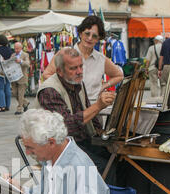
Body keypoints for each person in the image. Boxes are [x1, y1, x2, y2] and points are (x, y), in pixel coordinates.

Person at [36, 47, 116, 184]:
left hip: (76, 142)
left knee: (115, 157)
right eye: (73, 68)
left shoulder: (77, 83)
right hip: (56, 147)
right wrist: (98, 106)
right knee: (103, 167)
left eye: (80, 66)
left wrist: (103, 134)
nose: (79, 72)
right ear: (60, 71)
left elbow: (88, 112)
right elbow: (66, 126)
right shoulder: (49, 90)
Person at [43, 15, 123, 104]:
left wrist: (104, 86)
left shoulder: (101, 59)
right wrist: (63, 87)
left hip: (94, 110)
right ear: (80, 33)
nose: (90, 38)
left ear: (98, 39)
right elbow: (47, 74)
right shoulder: (65, 53)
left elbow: (119, 75)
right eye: (87, 34)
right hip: (69, 107)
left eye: (94, 36)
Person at [11, 42, 30, 115]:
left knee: (20, 94)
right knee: (15, 93)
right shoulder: (13, 55)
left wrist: (21, 61)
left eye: (17, 49)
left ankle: (19, 109)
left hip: (22, 77)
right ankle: (25, 102)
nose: (16, 50)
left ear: (21, 48)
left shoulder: (25, 55)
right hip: (14, 77)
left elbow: (28, 64)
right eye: (15, 48)